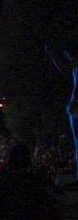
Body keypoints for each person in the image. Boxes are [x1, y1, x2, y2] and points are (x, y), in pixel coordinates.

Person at [45, 42, 78, 179]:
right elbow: (63, 68)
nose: (67, 56)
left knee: (77, 140)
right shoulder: (74, 68)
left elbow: (63, 68)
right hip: (74, 105)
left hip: (75, 106)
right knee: (76, 140)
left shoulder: (75, 67)